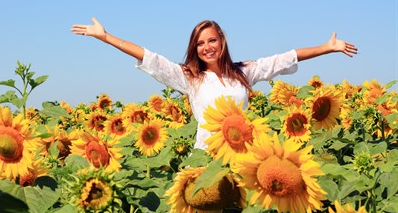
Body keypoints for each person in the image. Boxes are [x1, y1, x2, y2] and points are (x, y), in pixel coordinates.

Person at [71, 17, 358, 150]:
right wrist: (106, 37)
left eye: (211, 40)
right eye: (200, 43)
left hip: (244, 153)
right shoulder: (190, 78)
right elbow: (150, 57)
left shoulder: (243, 72)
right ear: (194, 49)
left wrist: (327, 47)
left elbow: (284, 59)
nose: (207, 47)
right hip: (206, 156)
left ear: (221, 41)